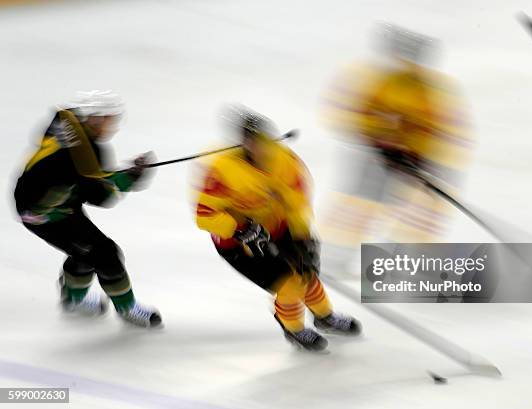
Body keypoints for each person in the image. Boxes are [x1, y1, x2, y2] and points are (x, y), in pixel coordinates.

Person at [194, 106, 361, 351]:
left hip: (279, 228)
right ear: (244, 143)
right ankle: (293, 328)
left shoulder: (287, 162)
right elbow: (204, 215)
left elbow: (296, 204)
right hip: (237, 243)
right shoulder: (222, 171)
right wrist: (239, 229)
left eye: (262, 140)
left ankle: (324, 316)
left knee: (306, 271)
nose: (259, 147)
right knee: (289, 284)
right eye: (251, 141)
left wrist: (302, 237)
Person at [320, 24, 474, 263]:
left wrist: (415, 157)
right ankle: (335, 256)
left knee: (406, 211)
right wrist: (385, 143)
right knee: (364, 203)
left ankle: (384, 261)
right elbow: (362, 116)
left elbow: (432, 130)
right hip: (379, 158)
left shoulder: (424, 90)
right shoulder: (389, 84)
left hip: (409, 163)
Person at [13, 90, 162, 328]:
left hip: (52, 203)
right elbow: (102, 197)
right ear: (94, 119)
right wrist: (131, 177)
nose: (113, 127)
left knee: (86, 252)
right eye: (110, 120)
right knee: (105, 254)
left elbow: (89, 179)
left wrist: (120, 174)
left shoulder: (64, 124)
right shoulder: (84, 154)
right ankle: (126, 308)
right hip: (46, 214)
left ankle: (72, 299)